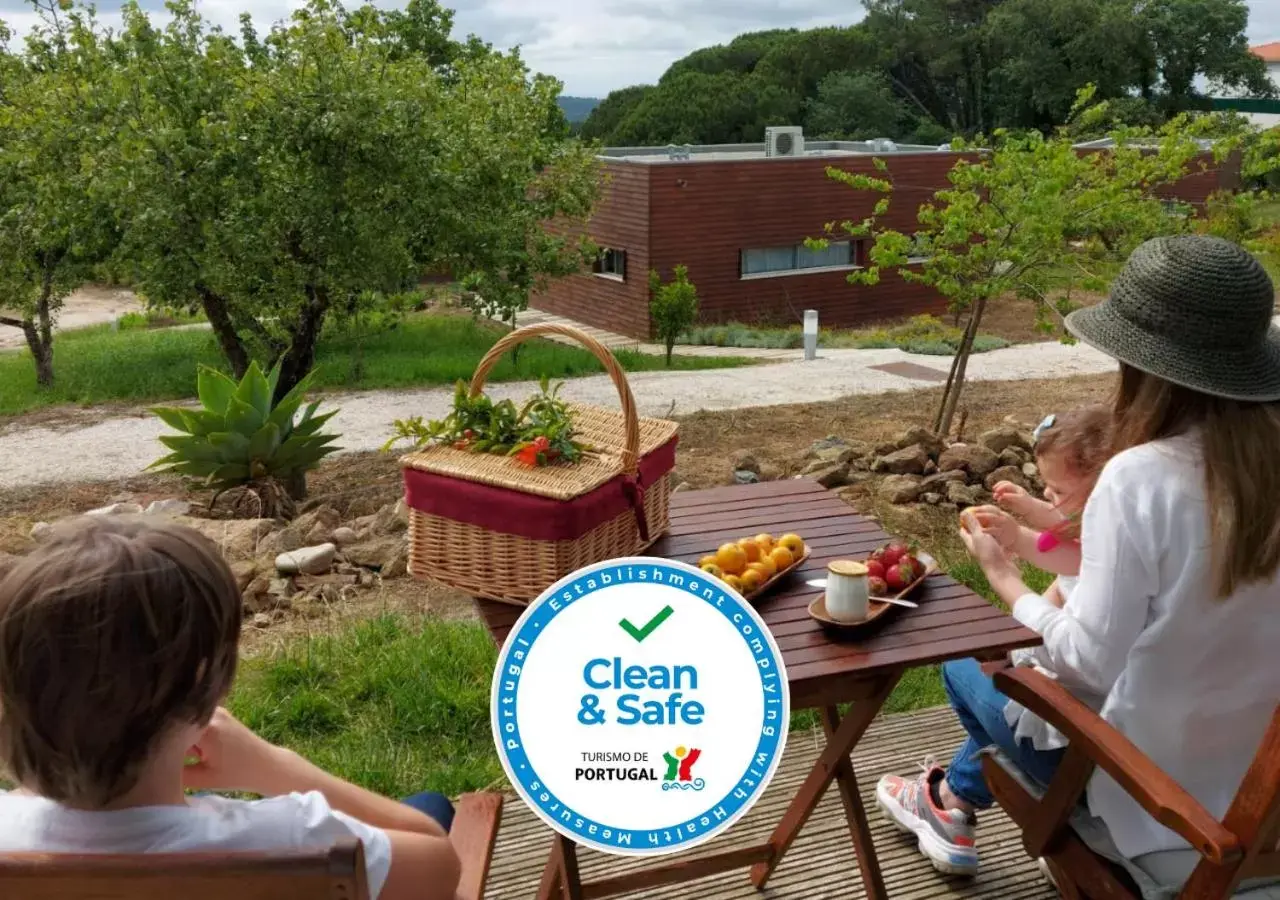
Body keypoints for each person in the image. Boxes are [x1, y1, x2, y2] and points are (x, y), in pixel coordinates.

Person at [875, 234, 1280, 895]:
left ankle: (955, 801)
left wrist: (1003, 579)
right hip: (1261, 811)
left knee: (969, 662)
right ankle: (948, 795)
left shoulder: (1144, 478)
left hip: (1168, 812)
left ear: (1140, 366)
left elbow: (1085, 665)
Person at [0, 516, 461, 900]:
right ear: (204, 682)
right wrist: (276, 767)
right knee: (431, 809)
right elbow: (440, 864)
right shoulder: (298, 837)